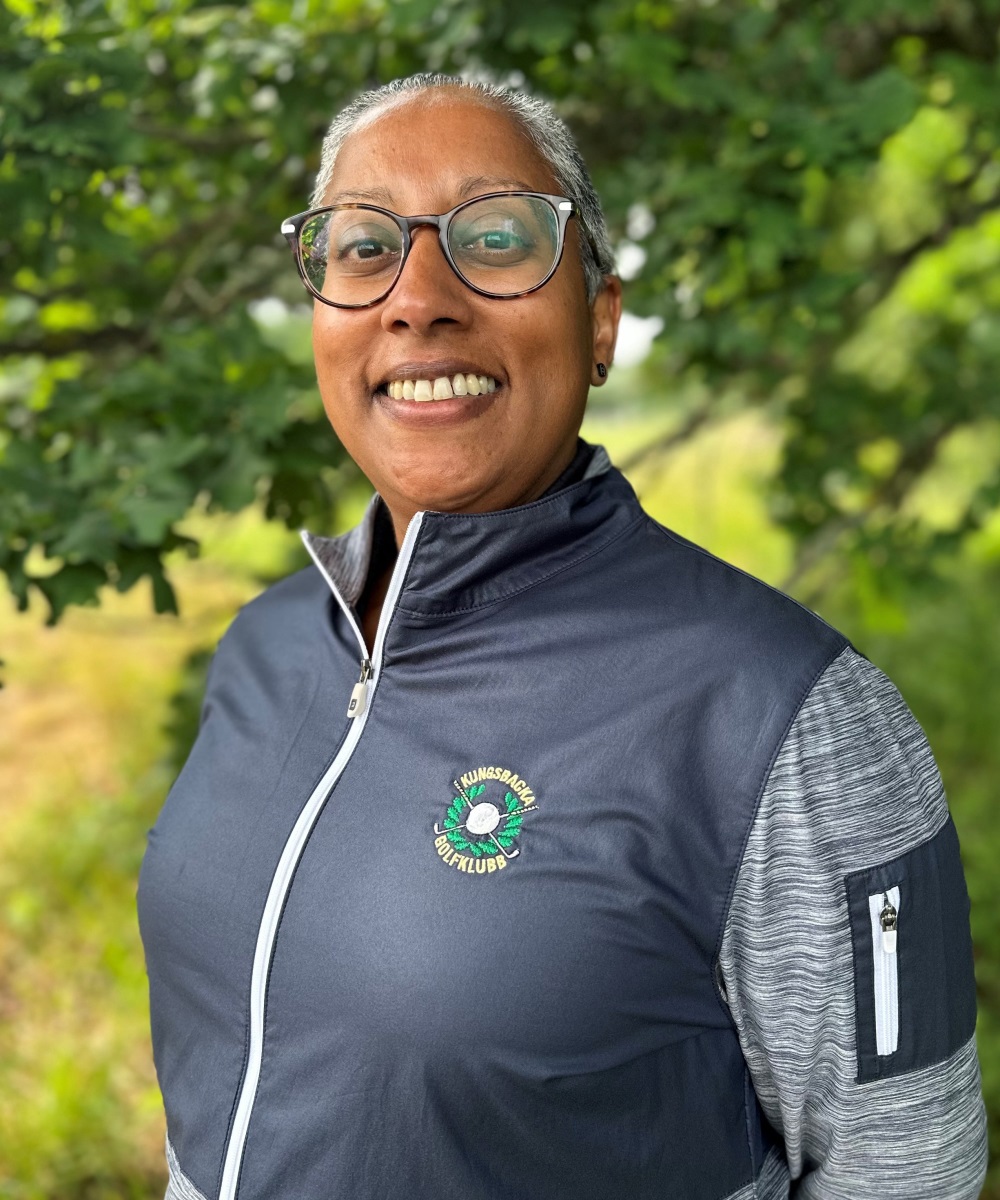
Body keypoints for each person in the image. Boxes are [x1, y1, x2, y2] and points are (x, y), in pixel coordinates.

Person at [137, 73, 988, 1200]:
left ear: (599, 322)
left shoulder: (784, 716)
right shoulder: (268, 646)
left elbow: (906, 1170)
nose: (417, 299)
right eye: (363, 246)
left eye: (497, 238)